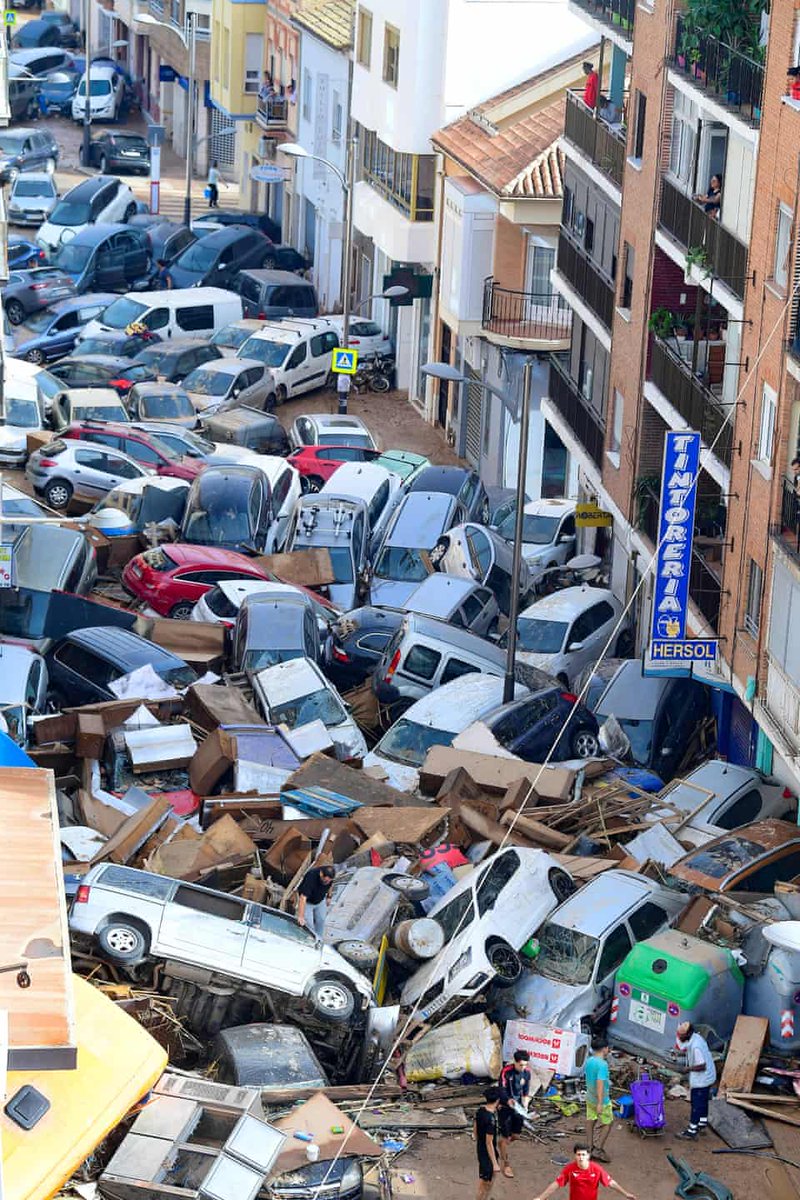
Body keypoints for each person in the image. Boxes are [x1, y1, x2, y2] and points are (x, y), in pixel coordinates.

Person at [534, 1144, 637, 1200]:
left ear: (588, 1156)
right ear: (575, 1156)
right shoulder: (569, 1169)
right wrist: (541, 1197)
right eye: (578, 1155)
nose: (581, 1157)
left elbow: (611, 1182)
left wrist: (626, 1193)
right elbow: (556, 1184)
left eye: (583, 1155)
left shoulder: (596, 1169)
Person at [675, 1021, 716, 1139]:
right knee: (703, 1101)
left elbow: (701, 1065)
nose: (679, 1037)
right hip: (708, 1076)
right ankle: (702, 1124)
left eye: (680, 1036)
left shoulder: (696, 1046)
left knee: (696, 1104)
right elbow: (683, 1046)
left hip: (702, 1079)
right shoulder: (696, 1037)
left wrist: (688, 1069)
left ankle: (692, 1131)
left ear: (687, 1034)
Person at [584, 1037, 613, 1162]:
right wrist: (601, 1102)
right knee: (608, 1122)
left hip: (589, 1097)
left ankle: (589, 1147)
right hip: (601, 1099)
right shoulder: (602, 1064)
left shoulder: (589, 1061)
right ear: (605, 1049)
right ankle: (598, 1149)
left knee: (590, 1120)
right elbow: (600, 1082)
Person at [475, 1085, 501, 1200]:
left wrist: (476, 1137)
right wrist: (495, 1163)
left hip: (481, 1148)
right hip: (487, 1153)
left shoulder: (481, 1110)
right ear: (497, 1100)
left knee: (489, 1178)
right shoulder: (490, 1120)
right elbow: (489, 1143)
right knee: (484, 1182)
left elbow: (475, 1126)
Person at [296, 864, 336, 938]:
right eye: (325, 881)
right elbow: (303, 897)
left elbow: (331, 885)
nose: (326, 882)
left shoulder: (330, 877)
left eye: (328, 881)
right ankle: (309, 940)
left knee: (321, 920)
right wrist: (301, 916)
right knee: (309, 925)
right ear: (321, 874)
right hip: (307, 902)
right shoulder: (311, 876)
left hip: (320, 901)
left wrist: (329, 897)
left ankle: (319, 939)